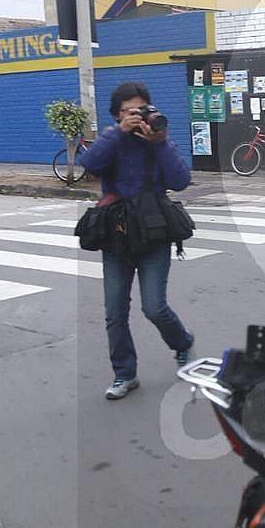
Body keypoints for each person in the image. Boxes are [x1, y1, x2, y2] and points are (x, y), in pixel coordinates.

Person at [80, 81, 195, 401]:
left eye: (142, 110)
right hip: (116, 237)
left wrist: (160, 143)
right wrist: (118, 133)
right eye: (130, 112)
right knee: (115, 312)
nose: (138, 116)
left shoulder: (157, 141)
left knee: (154, 307)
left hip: (154, 233)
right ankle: (124, 374)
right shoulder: (110, 138)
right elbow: (88, 166)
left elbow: (181, 181)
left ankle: (182, 342)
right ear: (117, 115)